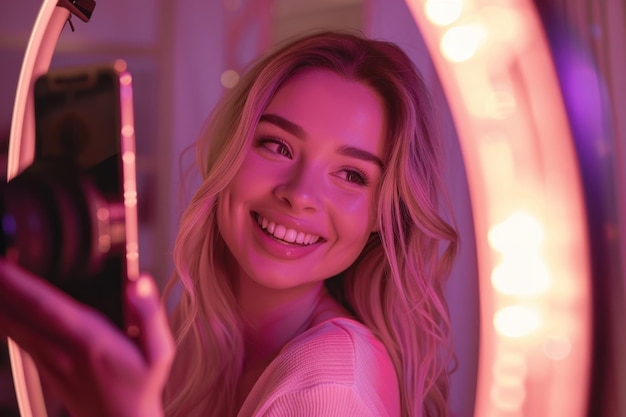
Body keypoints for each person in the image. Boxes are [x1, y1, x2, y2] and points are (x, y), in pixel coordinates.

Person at [0, 31, 458, 417]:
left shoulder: (330, 390)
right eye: (277, 145)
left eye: (352, 175)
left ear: (383, 215)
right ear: (231, 154)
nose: (299, 194)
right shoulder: (197, 332)